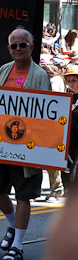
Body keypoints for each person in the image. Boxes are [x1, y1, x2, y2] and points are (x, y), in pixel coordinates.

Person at [0, 28, 51, 260]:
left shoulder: (40, 75)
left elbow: (46, 113)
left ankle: (18, 245)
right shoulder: (4, 70)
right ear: (9, 49)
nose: (18, 49)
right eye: (14, 45)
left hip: (26, 147)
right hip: (0, 144)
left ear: (32, 48)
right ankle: (13, 226)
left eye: (23, 45)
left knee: (24, 195)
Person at [61, 65, 78, 195]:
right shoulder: (67, 96)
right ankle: (67, 188)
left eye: (74, 80)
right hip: (70, 134)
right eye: (69, 80)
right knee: (66, 161)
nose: (71, 83)